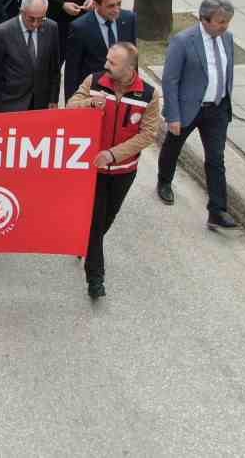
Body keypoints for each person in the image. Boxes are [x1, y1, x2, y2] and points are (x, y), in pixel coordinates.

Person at [68, 42, 163, 299]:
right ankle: (95, 279)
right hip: (93, 170)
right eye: (107, 60)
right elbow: (70, 106)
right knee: (96, 221)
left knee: (107, 219)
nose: (106, 66)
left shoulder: (149, 95)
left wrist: (113, 154)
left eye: (113, 63)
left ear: (130, 68)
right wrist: (88, 103)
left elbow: (148, 134)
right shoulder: (95, 81)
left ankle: (86, 243)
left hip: (123, 170)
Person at [156, 0, 240, 230]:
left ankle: (217, 210)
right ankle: (164, 181)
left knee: (216, 159)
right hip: (188, 108)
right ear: (204, 19)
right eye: (221, 22)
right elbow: (171, 80)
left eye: (227, 21)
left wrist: (225, 99)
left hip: (217, 109)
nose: (225, 26)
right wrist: (173, 115)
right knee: (173, 146)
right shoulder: (183, 41)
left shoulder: (228, 39)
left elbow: (227, 71)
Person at [64, 0, 136, 98]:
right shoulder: (80, 28)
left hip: (123, 91)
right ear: (96, 4)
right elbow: (72, 70)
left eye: (119, 4)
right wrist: (71, 103)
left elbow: (132, 57)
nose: (117, 10)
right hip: (93, 92)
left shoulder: (129, 19)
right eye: (111, 6)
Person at [0, 0, 62, 112]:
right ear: (22, 12)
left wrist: (53, 99)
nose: (35, 24)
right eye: (31, 19)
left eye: (41, 19)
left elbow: (54, 68)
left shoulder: (51, 27)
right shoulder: (2, 33)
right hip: (11, 103)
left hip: (41, 103)